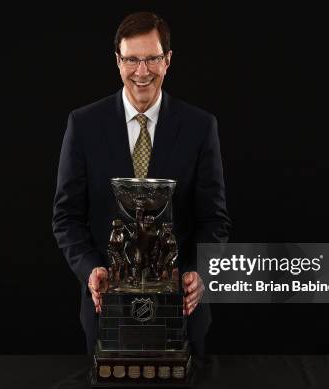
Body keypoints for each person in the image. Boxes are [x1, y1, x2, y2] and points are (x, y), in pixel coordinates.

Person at [52, 11, 230, 355]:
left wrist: (199, 272)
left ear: (168, 60)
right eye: (132, 59)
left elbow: (215, 220)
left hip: (181, 315)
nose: (142, 71)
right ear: (118, 62)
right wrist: (91, 269)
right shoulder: (84, 124)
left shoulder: (200, 126)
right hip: (107, 315)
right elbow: (66, 218)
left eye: (152, 58)